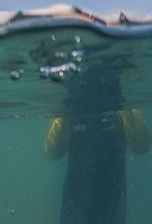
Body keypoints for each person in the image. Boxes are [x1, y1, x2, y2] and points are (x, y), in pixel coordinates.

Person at [39, 13, 151, 224]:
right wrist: (68, 117)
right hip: (76, 202)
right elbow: (52, 152)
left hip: (112, 201)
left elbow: (142, 146)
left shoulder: (123, 105)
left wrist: (122, 112)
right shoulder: (71, 106)